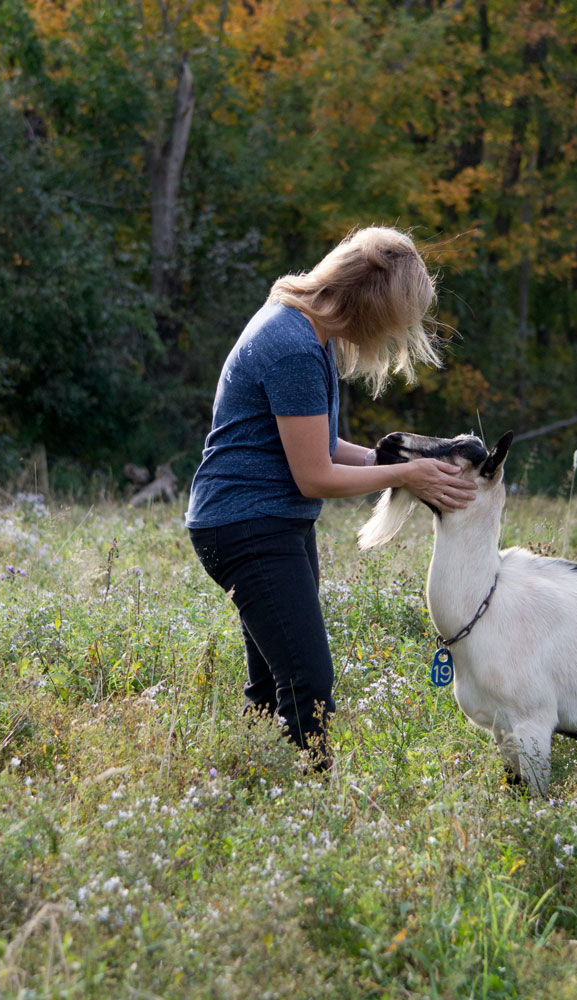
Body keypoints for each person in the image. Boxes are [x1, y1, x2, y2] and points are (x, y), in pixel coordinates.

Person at [185, 227, 475, 768]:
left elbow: (317, 442)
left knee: (275, 682)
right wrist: (407, 476)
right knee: (308, 681)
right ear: (368, 305)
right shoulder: (294, 346)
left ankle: (254, 783)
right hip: (248, 526)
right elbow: (314, 476)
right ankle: (311, 803)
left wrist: (392, 462)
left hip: (268, 523)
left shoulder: (302, 329)